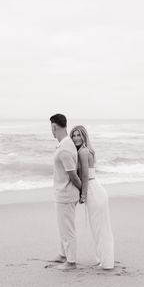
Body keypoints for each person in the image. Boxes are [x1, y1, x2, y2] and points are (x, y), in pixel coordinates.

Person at [70, 125, 114, 269]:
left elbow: (84, 175)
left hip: (94, 192)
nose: (76, 138)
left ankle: (106, 263)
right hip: (96, 189)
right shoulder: (87, 151)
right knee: (100, 229)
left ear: (84, 136)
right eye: (73, 135)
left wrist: (83, 195)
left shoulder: (83, 152)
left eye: (78, 135)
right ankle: (104, 259)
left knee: (100, 229)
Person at [50, 114, 82, 270]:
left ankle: (71, 262)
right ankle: (64, 255)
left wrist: (83, 192)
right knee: (62, 226)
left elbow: (73, 175)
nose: (51, 130)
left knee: (67, 228)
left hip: (66, 194)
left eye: (51, 127)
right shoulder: (66, 144)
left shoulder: (64, 148)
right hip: (63, 193)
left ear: (54, 126)